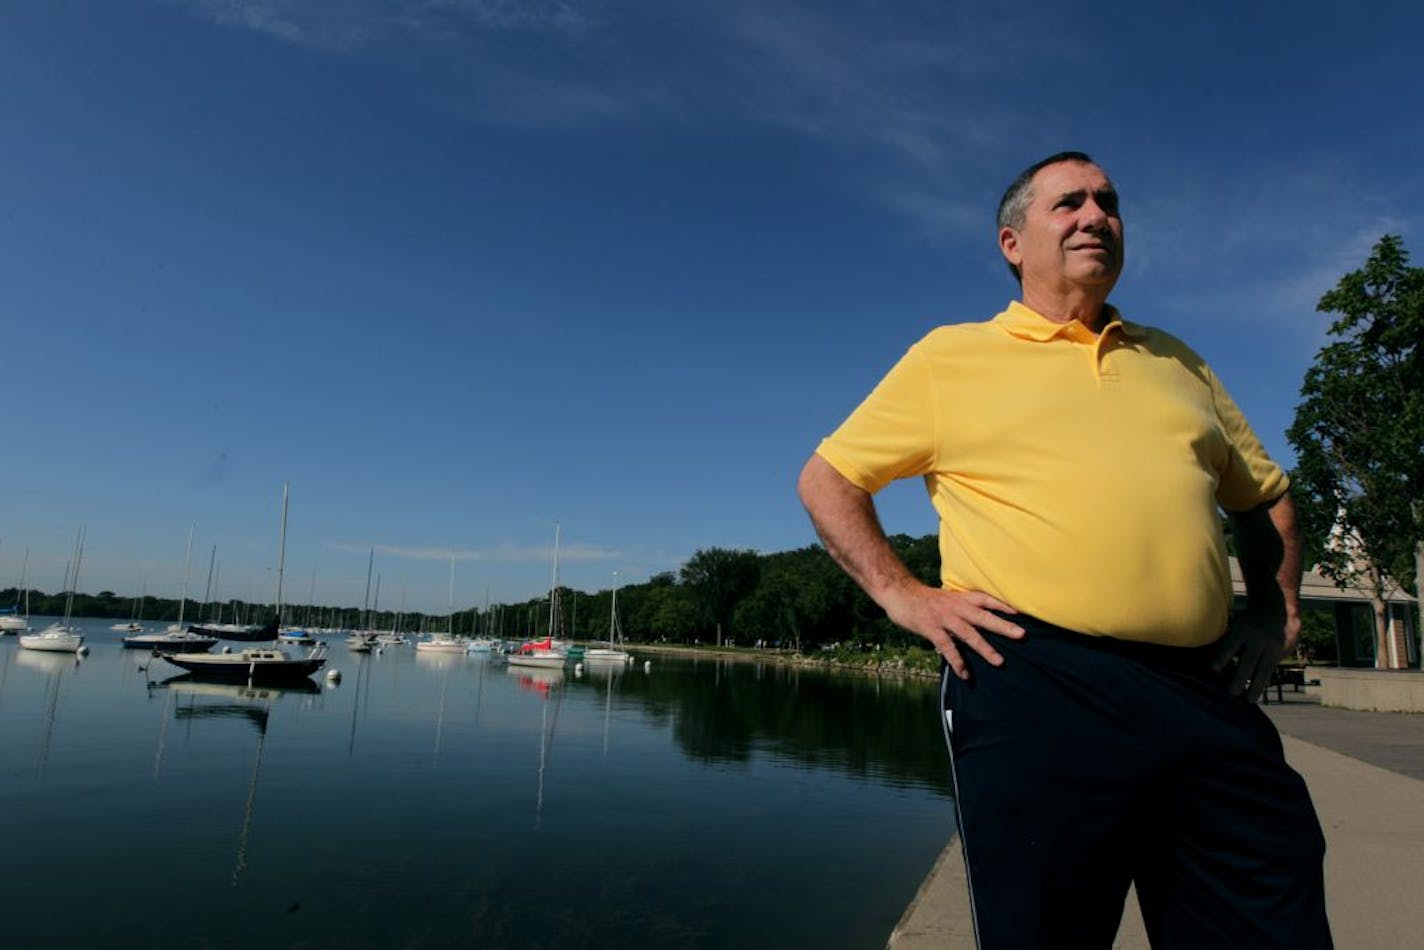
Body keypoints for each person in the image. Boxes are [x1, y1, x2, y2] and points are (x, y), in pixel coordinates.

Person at [797, 151, 1331, 948]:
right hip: (1038, 682)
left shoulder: (1179, 362)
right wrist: (903, 595)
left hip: (1204, 685)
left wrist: (1276, 610)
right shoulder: (952, 357)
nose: (1096, 216)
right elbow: (829, 479)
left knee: (1269, 913)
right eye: (1069, 203)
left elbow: (1266, 499)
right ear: (1012, 244)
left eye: (1109, 203)